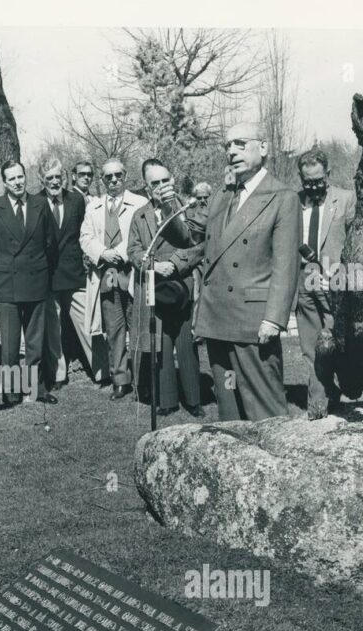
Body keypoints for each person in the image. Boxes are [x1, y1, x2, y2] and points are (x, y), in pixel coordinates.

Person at [194, 122, 300, 421]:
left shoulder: (283, 197)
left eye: (240, 143)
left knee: (265, 412)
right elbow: (203, 248)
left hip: (253, 324)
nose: (231, 151)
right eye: (228, 146)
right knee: (230, 412)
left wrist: (274, 318)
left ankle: (275, 467)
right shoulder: (222, 196)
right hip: (217, 319)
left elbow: (286, 264)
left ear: (263, 148)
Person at [127, 159, 204, 417]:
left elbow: (198, 245)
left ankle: (194, 400)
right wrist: (153, 265)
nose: (161, 186)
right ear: (148, 189)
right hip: (154, 286)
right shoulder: (140, 216)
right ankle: (168, 400)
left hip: (182, 284)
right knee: (160, 343)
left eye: (165, 180)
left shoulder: (189, 208)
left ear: (173, 180)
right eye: (154, 183)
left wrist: (174, 263)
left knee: (185, 343)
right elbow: (133, 251)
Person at [0, 160, 58, 405]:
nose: (17, 182)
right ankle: (11, 391)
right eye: (11, 178)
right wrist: (3, 267)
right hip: (7, 283)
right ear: (4, 181)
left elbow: (51, 243)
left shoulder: (41, 204)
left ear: (26, 176)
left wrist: (41, 270)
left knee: (35, 342)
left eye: (20, 176)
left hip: (36, 280)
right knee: (10, 345)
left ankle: (38, 389)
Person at [79, 159, 148, 400]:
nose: (114, 180)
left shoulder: (140, 203)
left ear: (125, 175)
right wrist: (102, 253)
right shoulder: (94, 207)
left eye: (118, 175)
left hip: (131, 273)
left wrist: (118, 252)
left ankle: (142, 379)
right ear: (103, 179)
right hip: (106, 275)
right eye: (108, 177)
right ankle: (120, 379)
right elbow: (85, 237)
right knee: (114, 329)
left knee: (137, 327)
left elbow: (141, 235)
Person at [295, 147, 356, 418]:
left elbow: (356, 244)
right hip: (304, 281)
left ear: (328, 174)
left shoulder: (346, 199)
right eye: (307, 182)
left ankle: (336, 390)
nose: (313, 186)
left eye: (318, 181)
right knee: (310, 347)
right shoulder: (292, 202)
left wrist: (338, 274)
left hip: (335, 281)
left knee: (333, 344)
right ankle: (317, 403)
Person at [39, 156, 108, 389]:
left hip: (74, 273)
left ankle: (102, 371)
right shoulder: (35, 202)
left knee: (88, 323)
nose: (55, 181)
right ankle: (58, 375)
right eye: (49, 178)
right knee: (53, 328)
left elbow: (84, 233)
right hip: (47, 276)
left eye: (58, 177)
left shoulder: (76, 199)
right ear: (42, 180)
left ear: (65, 178)